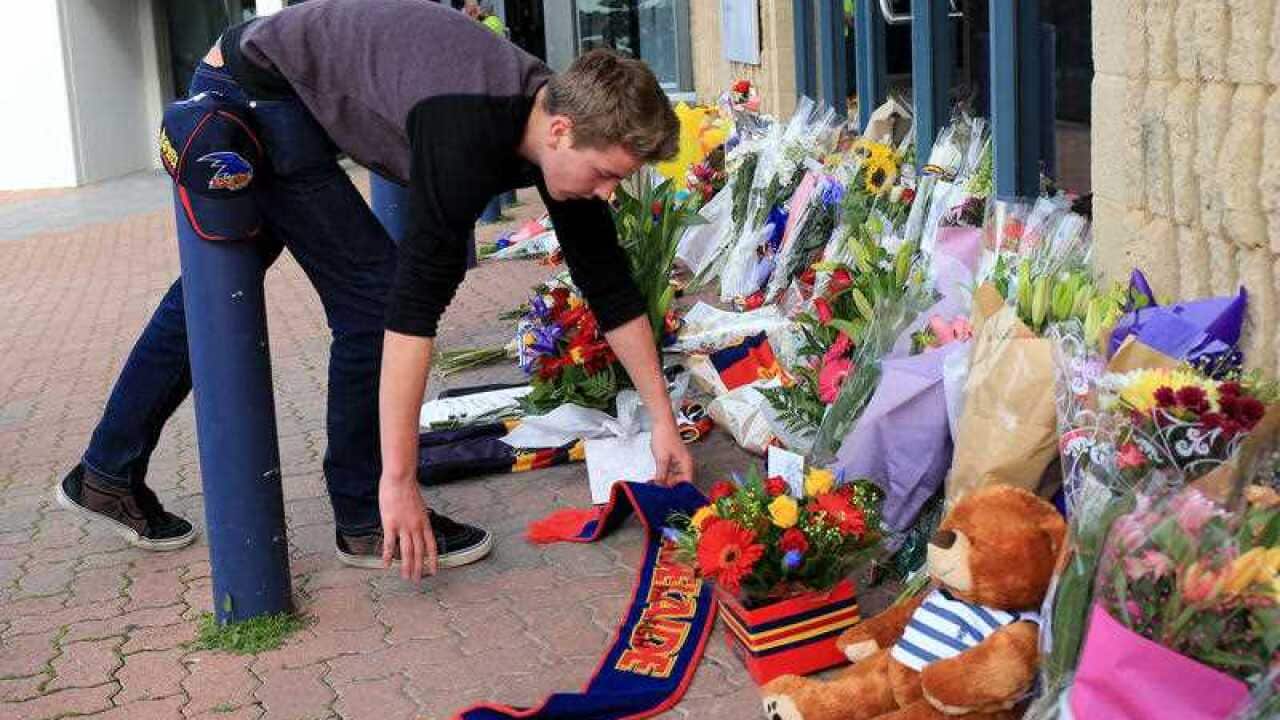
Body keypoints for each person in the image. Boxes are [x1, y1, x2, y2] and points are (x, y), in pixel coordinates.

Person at [55, 0, 693, 584]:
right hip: (253, 89)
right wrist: (401, 479)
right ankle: (366, 511)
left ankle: (107, 471)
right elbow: (412, 315)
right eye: (608, 175)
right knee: (374, 295)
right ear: (559, 132)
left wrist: (663, 424)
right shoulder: (463, 136)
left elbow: (609, 285)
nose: (609, 192)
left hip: (287, 88)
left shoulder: (557, 123)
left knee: (215, 291)